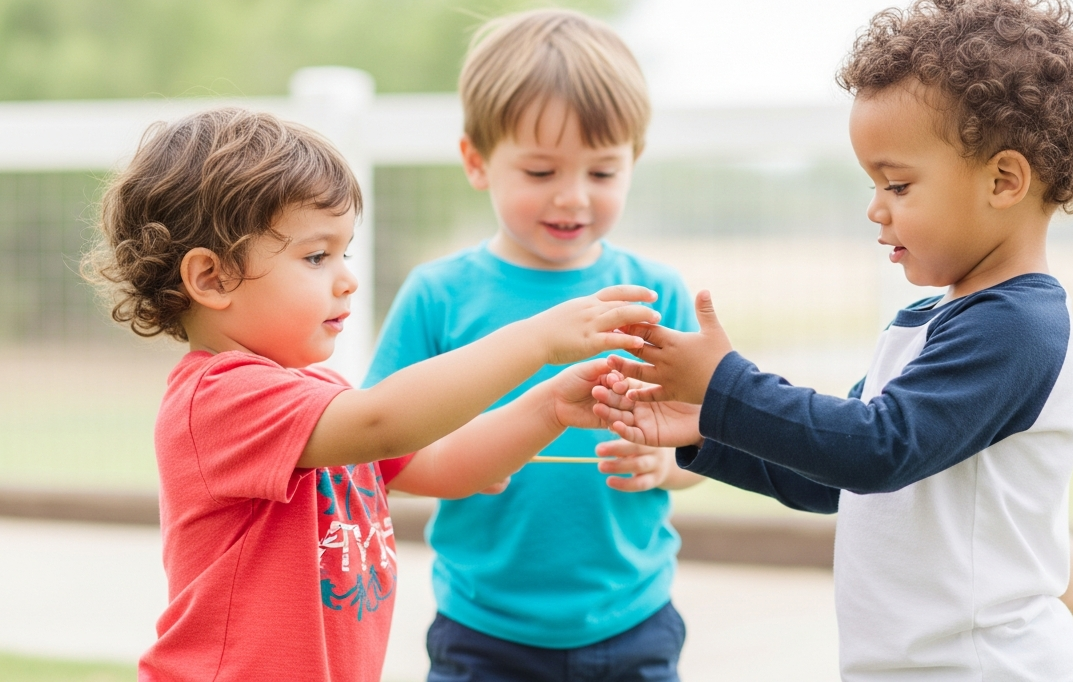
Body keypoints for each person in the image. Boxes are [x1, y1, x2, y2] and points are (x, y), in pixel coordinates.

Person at [590, 0, 1073, 681]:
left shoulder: (1017, 328)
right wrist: (710, 429)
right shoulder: (934, 322)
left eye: (897, 185)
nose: (877, 208)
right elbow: (835, 476)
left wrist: (727, 387)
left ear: (1003, 181)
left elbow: (875, 451)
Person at [84, 107, 659, 681]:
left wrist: (550, 405)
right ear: (210, 278)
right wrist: (536, 341)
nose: (347, 278)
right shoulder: (218, 400)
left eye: (344, 253)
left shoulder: (319, 394)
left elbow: (441, 464)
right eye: (316, 256)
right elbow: (386, 421)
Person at [363, 8, 703, 682]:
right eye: (542, 172)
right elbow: (380, 450)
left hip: (633, 622)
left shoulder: (654, 294)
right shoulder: (439, 296)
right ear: (477, 161)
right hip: (483, 629)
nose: (573, 198)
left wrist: (666, 466)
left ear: (632, 161)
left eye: (602, 174)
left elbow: (712, 442)